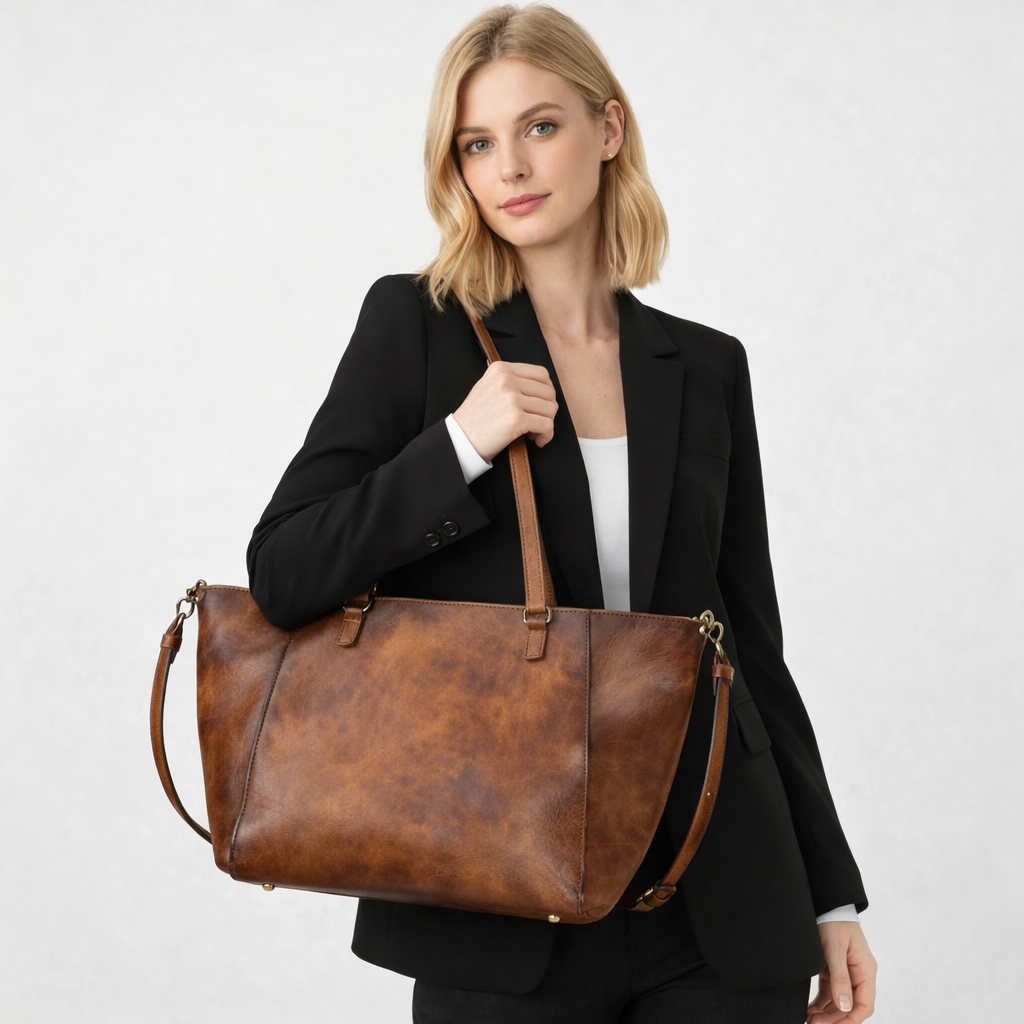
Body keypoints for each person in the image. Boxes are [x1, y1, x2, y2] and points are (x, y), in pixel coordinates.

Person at [246, 4, 877, 1022]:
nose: (510, 166)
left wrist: (830, 890)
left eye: (540, 126)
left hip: (712, 904)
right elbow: (283, 571)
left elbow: (749, 646)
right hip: (499, 904)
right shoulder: (415, 327)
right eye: (477, 143)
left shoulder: (704, 367)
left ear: (608, 130)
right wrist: (458, 446)